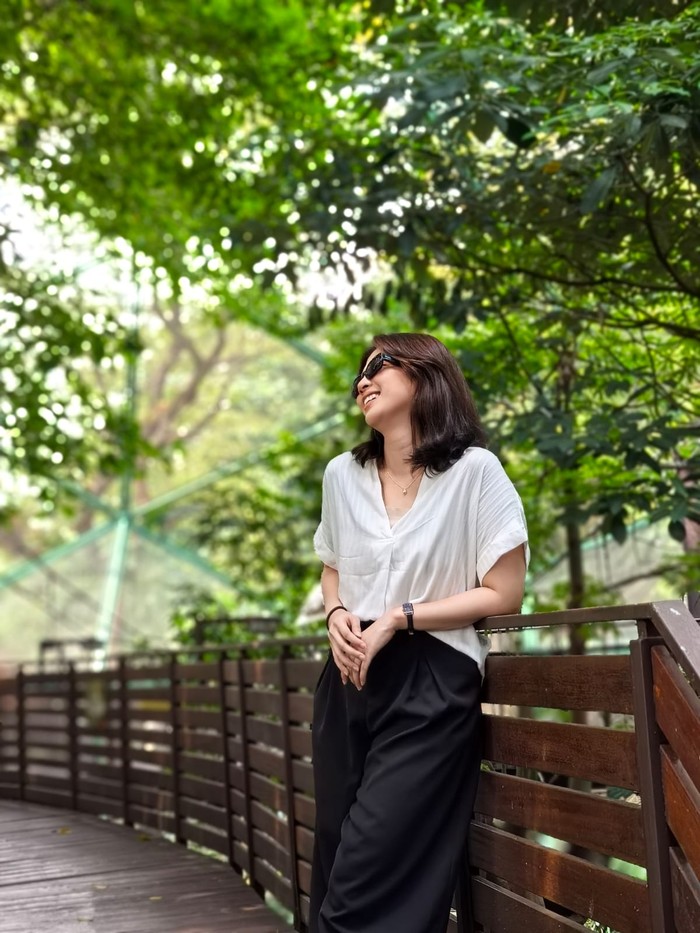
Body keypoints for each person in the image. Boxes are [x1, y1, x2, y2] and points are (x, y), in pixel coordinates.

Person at [309, 332, 528, 933]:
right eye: (358, 373)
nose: (363, 380)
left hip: (431, 679)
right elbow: (332, 567)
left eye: (378, 364)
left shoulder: (475, 472)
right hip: (348, 676)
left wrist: (399, 617)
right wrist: (335, 613)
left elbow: (503, 592)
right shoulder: (341, 475)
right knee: (336, 848)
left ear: (427, 372)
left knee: (370, 870)